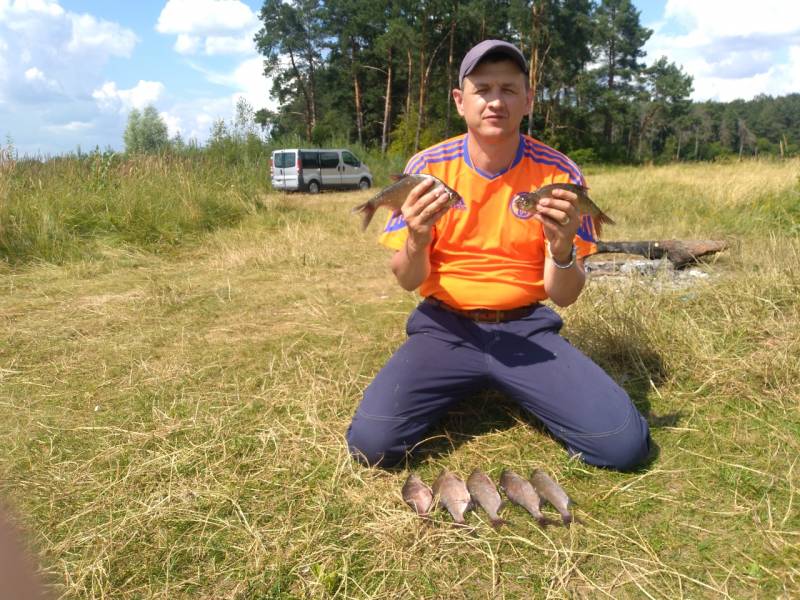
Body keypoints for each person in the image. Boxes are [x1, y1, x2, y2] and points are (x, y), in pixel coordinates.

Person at [346, 40, 650, 471]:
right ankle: (470, 379)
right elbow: (407, 279)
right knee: (371, 446)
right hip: (444, 326)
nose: (495, 101)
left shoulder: (559, 174)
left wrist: (561, 247)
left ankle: (515, 382)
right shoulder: (427, 169)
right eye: (482, 88)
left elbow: (563, 296)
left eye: (509, 89)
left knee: (623, 447)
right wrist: (416, 236)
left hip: (526, 329)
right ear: (460, 101)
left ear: (528, 100)